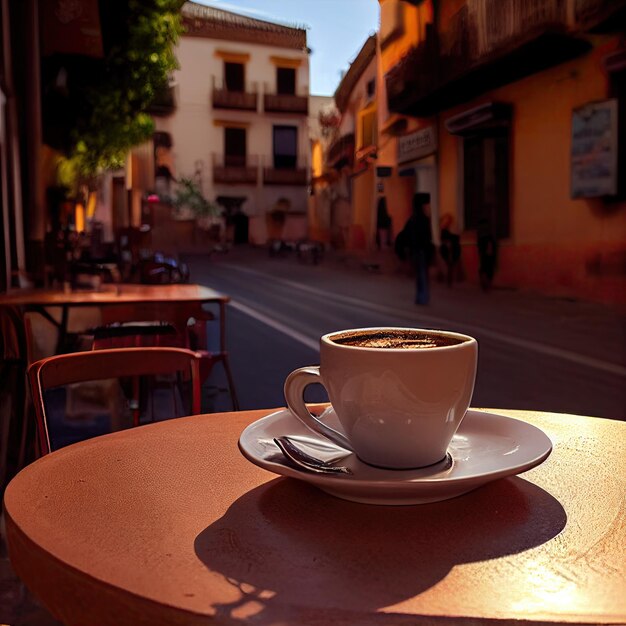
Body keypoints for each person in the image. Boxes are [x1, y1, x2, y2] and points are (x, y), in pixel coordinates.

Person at [396, 193, 434, 305]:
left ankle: (420, 297)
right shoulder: (421, 220)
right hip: (420, 251)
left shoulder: (414, 220)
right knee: (422, 274)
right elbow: (425, 237)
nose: (428, 207)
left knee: (420, 275)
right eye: (426, 205)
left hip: (417, 251)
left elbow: (405, 235)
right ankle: (423, 297)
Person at [439, 213, 462, 287]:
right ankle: (449, 280)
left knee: (450, 265)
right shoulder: (444, 231)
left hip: (452, 249)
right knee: (449, 264)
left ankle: (449, 280)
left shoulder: (450, 230)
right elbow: (444, 240)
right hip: (448, 249)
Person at [477, 217, 497, 291]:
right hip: (487, 253)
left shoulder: (479, 233)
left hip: (482, 253)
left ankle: (485, 285)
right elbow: (489, 243)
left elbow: (480, 244)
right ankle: (487, 285)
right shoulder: (487, 233)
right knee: (488, 269)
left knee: (483, 268)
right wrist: (490, 251)